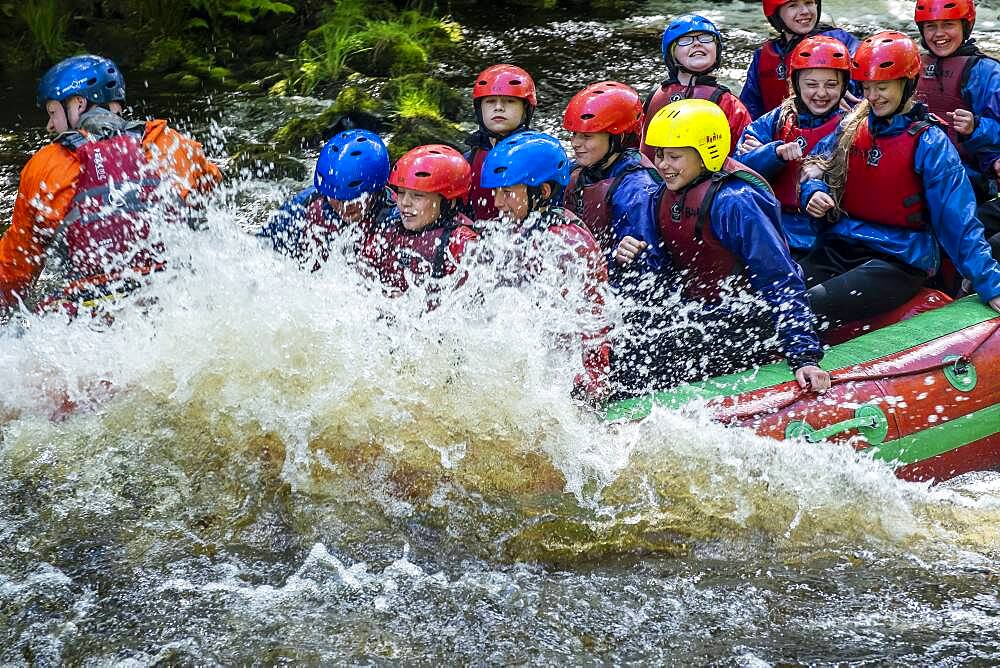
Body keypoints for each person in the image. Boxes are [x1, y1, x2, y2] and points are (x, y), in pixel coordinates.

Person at [615, 99, 829, 394]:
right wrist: (633, 256)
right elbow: (662, 272)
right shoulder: (661, 196)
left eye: (674, 157)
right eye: (660, 155)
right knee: (621, 337)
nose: (662, 165)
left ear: (706, 154)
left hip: (751, 317)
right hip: (699, 310)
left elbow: (779, 277)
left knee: (644, 357)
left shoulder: (737, 202)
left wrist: (804, 355)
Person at [799, 31, 1000, 324]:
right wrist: (813, 191)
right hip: (839, 248)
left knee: (805, 306)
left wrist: (991, 285)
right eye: (867, 87)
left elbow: (959, 222)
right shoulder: (851, 127)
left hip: (897, 261)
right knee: (775, 293)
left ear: (906, 84)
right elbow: (815, 164)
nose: (871, 97)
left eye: (881, 87)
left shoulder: (930, 143)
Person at [0, 54, 221, 316]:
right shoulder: (170, 144)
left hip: (91, 317)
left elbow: (15, 271)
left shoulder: (44, 166)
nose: (50, 125)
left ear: (78, 104)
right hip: (172, 303)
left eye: (52, 112)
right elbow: (210, 189)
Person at [479, 131, 610, 402]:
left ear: (543, 191)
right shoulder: (516, 229)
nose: (497, 202)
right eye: (495, 192)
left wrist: (591, 382)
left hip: (576, 375)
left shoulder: (567, 244)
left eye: (507, 192)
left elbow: (587, 325)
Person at [737, 35, 850, 257]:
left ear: (844, 86)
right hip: (771, 226)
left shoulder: (850, 128)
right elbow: (739, 166)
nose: (821, 93)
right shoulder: (778, 118)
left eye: (831, 85)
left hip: (822, 235)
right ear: (796, 84)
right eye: (811, 84)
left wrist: (818, 187)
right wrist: (773, 152)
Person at [913, 0, 1000, 258]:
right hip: (919, 173)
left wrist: (975, 127)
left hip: (968, 177)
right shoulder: (913, 65)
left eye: (948, 25)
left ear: (966, 25)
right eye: (931, 27)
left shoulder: (987, 72)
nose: (939, 34)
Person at [562, 81, 663, 286]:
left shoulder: (637, 189)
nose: (575, 143)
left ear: (619, 137)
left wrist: (617, 260)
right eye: (574, 134)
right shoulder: (575, 171)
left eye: (587, 136)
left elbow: (648, 270)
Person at [257, 129, 396, 272]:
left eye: (354, 198)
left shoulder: (397, 219)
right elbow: (257, 249)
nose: (344, 206)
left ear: (375, 189)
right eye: (336, 198)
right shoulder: (304, 206)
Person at [358, 144, 478, 299]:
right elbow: (358, 276)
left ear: (450, 202)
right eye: (401, 193)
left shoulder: (461, 244)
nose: (404, 203)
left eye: (417, 195)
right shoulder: (388, 233)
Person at [641, 14, 752, 160]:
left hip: (711, 181)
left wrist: (754, 150)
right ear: (671, 54)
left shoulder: (728, 103)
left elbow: (746, 155)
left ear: (716, 50)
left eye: (705, 38)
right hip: (654, 179)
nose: (697, 44)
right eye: (685, 40)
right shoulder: (655, 97)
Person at [740, 0, 859, 120]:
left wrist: (842, 88)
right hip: (781, 133)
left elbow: (864, 72)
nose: (805, 11)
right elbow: (748, 110)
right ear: (776, 14)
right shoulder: (762, 56)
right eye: (793, 5)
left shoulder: (839, 40)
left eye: (809, 3)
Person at [464, 64, 537, 222]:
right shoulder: (470, 158)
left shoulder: (540, 155)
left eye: (509, 101)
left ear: (525, 109)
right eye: (490, 101)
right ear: (479, 108)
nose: (498, 107)